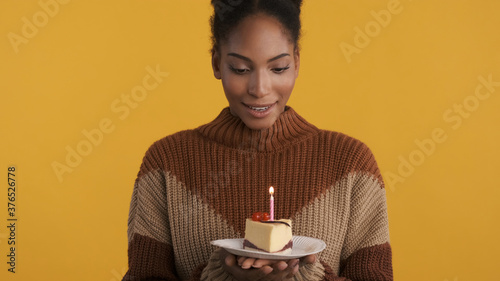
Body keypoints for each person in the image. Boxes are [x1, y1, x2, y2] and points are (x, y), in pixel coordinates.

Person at [123, 0, 393, 280]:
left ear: (297, 62)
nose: (259, 89)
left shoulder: (350, 164)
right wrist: (218, 275)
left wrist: (305, 276)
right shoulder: (166, 163)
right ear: (217, 63)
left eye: (278, 68)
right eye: (241, 69)